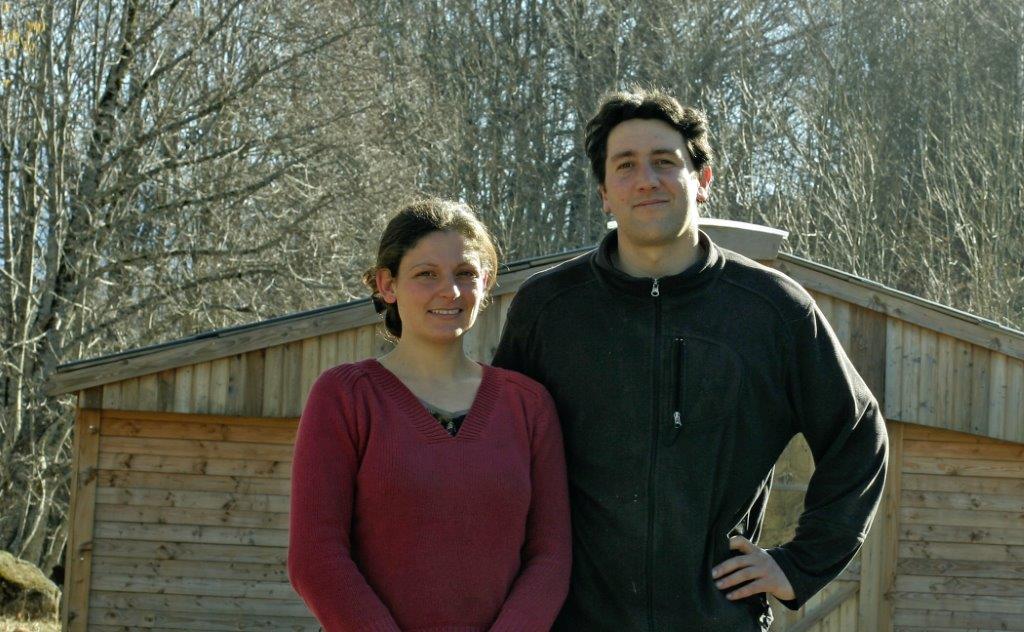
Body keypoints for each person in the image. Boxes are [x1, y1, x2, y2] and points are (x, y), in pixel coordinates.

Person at [492, 88, 888, 631]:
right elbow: (497, 456)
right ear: (605, 192)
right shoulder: (549, 309)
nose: (646, 180)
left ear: (702, 180)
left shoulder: (772, 309)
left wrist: (798, 565)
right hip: (575, 620)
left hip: (719, 621)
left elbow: (858, 434)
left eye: (665, 161)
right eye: (625, 165)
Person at [289, 199, 571, 632]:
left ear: (486, 283)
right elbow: (316, 559)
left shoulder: (529, 406)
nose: (450, 291)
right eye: (426, 274)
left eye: (465, 274)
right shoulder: (345, 398)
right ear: (387, 285)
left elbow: (550, 559)